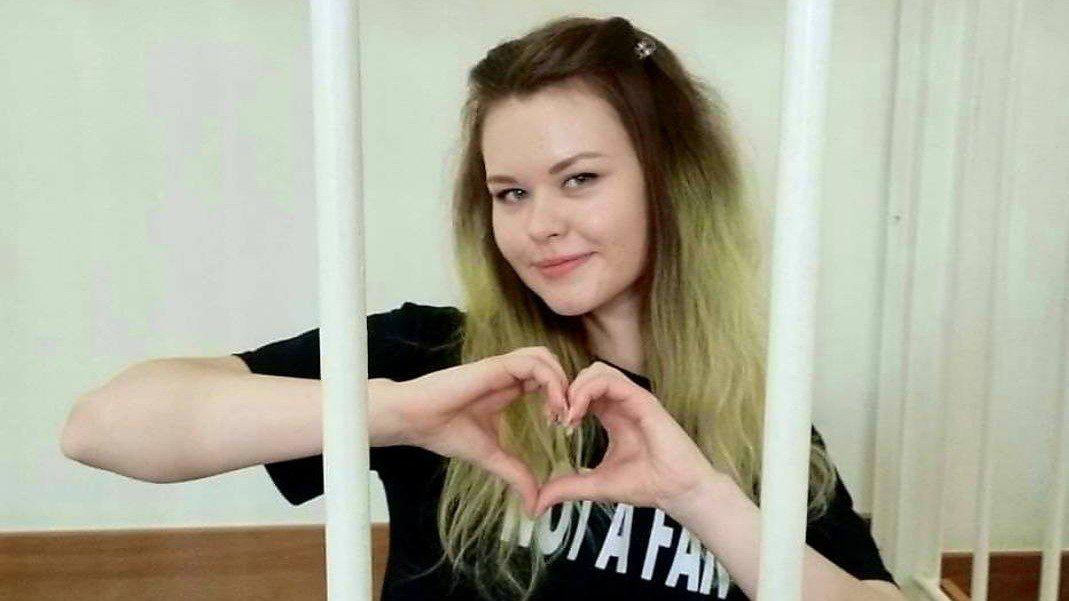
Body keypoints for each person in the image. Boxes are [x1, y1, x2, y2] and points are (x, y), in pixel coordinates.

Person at [61, 15, 904, 601]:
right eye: (510, 192)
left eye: (579, 178)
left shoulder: (759, 430)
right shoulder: (444, 362)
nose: (539, 225)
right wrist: (393, 410)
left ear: (671, 184)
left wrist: (702, 496)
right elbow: (101, 427)